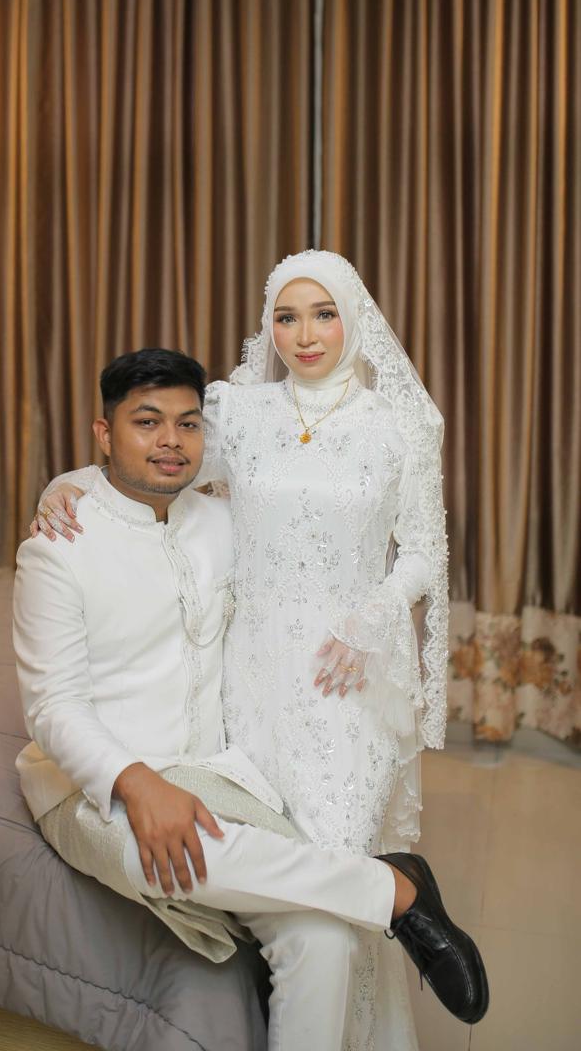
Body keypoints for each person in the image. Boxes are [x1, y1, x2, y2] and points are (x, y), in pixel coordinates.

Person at [33, 252, 458, 1049]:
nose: (305, 334)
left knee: (337, 859)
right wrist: (66, 484)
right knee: (296, 882)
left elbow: (425, 554)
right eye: (286, 317)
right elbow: (158, 462)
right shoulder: (238, 411)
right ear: (269, 327)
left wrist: (371, 617)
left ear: (354, 318)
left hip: (347, 678)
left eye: (323, 314)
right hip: (251, 675)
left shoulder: (402, 425)